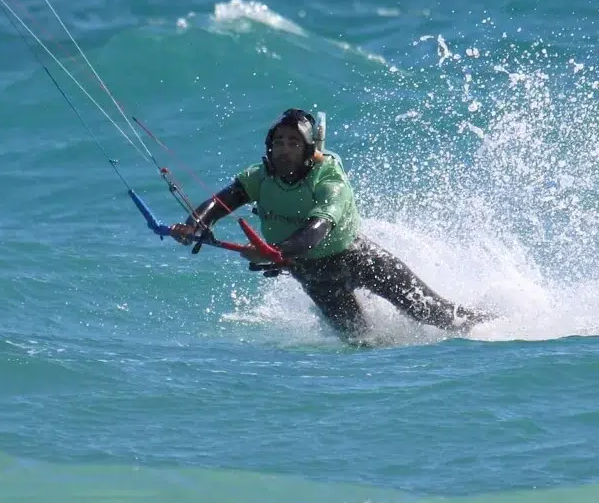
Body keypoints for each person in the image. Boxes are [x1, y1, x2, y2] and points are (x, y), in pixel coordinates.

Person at [170, 108, 492, 344]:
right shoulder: (260, 177)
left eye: (294, 143)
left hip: (359, 259)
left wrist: (274, 252)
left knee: (436, 314)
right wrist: (192, 225)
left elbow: (316, 231)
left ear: (309, 150)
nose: (284, 150)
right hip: (313, 275)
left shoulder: (329, 178)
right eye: (278, 142)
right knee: (360, 341)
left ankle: (497, 326)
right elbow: (220, 202)